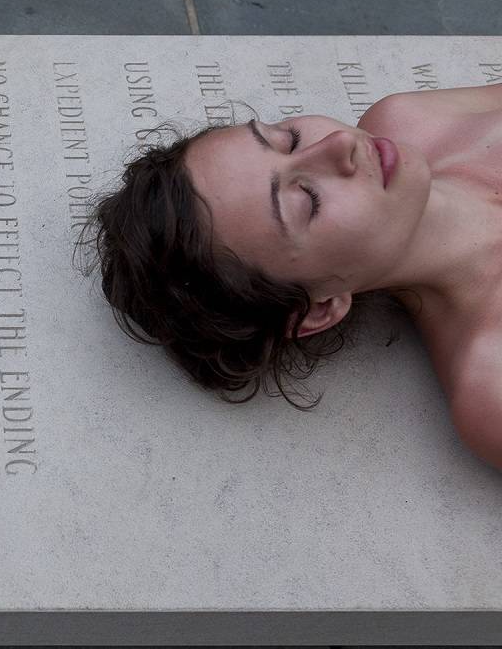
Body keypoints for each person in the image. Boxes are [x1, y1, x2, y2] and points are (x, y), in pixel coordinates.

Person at [79, 82, 502, 470]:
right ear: (318, 309)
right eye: (308, 200)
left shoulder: (409, 119)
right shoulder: (491, 386)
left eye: (287, 139)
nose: (339, 145)